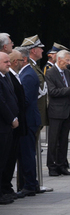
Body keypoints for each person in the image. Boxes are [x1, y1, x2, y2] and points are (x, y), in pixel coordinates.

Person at [45, 50, 70, 176]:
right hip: (55, 111)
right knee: (53, 140)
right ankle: (52, 166)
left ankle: (62, 165)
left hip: (67, 110)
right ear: (59, 60)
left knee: (64, 140)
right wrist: (69, 89)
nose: (69, 63)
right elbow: (53, 92)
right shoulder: (50, 73)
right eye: (67, 60)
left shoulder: (66, 72)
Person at [14, 47, 44, 196]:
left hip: (28, 120)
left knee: (27, 153)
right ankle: (30, 183)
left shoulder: (28, 75)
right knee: (25, 153)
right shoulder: (26, 74)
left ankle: (30, 185)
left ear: (24, 60)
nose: (15, 63)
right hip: (29, 119)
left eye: (17, 60)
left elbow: (24, 100)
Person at [0, 50, 26, 202]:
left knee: (6, 160)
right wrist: (12, 119)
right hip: (3, 125)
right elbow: (1, 102)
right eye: (6, 62)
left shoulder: (5, 77)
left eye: (9, 61)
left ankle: (4, 190)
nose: (9, 64)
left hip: (7, 127)